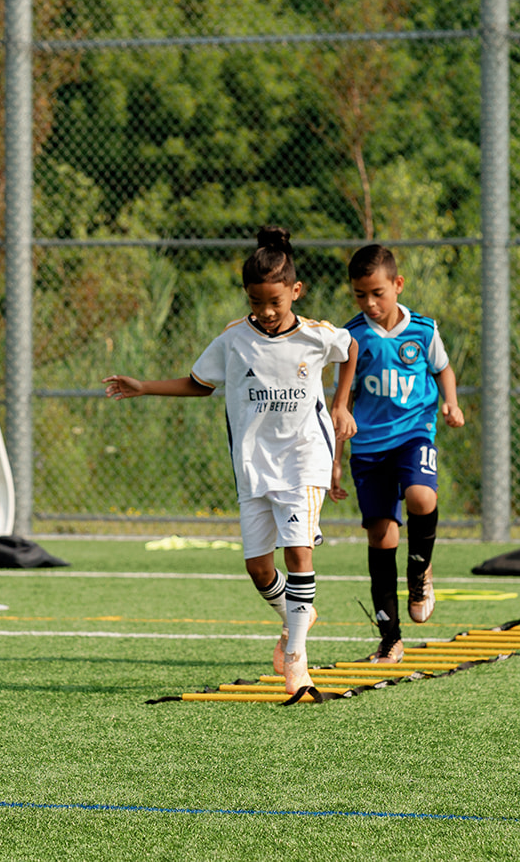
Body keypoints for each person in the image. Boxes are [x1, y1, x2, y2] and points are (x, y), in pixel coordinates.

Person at [103, 227, 356, 695]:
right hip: (253, 466)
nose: (266, 311)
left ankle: (297, 656)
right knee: (258, 568)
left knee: (298, 551)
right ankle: (297, 617)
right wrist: (145, 387)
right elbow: (200, 384)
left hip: (303, 460)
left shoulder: (316, 335)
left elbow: (349, 348)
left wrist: (340, 404)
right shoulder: (234, 339)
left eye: (275, 302)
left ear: (296, 291)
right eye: (256, 302)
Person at [331, 244, 465, 664]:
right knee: (382, 536)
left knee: (422, 497)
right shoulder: (353, 336)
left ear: (398, 285)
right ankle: (390, 639)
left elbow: (443, 369)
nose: (370, 303)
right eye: (360, 295)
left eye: (378, 293)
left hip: (413, 434)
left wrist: (451, 403)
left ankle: (419, 570)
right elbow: (343, 401)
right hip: (369, 447)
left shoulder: (423, 330)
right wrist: (335, 460)